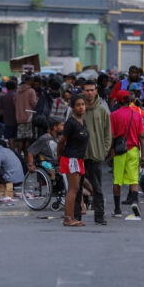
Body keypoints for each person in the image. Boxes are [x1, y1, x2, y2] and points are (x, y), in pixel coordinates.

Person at [80, 80, 112, 225]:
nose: (89, 93)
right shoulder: (77, 109)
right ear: (83, 92)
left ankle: (99, 215)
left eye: (92, 90)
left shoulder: (102, 110)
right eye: (87, 90)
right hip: (79, 155)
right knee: (76, 186)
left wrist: (103, 151)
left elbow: (108, 133)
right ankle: (75, 214)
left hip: (96, 155)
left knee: (97, 187)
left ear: (96, 91)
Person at [110, 90, 144, 218]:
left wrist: (110, 151)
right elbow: (141, 136)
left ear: (118, 101)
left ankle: (117, 209)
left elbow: (112, 136)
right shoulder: (137, 115)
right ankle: (135, 202)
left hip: (119, 151)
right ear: (129, 100)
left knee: (117, 180)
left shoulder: (113, 115)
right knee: (134, 179)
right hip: (134, 150)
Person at [57, 95, 89, 227]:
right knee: (73, 189)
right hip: (71, 158)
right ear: (73, 107)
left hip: (78, 158)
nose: (81, 107)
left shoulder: (82, 121)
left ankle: (71, 216)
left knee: (75, 189)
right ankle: (67, 218)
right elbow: (61, 141)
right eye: (78, 105)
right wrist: (59, 156)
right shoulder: (71, 123)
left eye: (83, 104)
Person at [15, 75, 38, 157]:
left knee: (20, 139)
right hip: (29, 117)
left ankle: (18, 156)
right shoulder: (31, 91)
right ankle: (27, 157)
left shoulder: (17, 91)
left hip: (19, 117)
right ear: (29, 81)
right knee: (28, 139)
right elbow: (34, 104)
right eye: (32, 81)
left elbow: (15, 103)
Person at [0, 80, 18, 147]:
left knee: (9, 137)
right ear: (15, 87)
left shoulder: (3, 96)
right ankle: (15, 151)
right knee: (15, 136)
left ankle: (11, 149)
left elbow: (1, 110)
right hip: (16, 119)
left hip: (7, 120)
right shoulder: (16, 96)